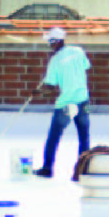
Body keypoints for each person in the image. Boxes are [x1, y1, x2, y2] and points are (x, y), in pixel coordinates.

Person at [34, 27, 91, 179]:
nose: (49, 45)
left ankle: (47, 168)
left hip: (67, 104)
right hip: (83, 99)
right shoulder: (79, 51)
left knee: (54, 136)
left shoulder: (55, 61)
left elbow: (50, 87)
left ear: (55, 41)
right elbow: (86, 66)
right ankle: (83, 170)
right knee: (83, 137)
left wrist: (37, 92)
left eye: (50, 42)